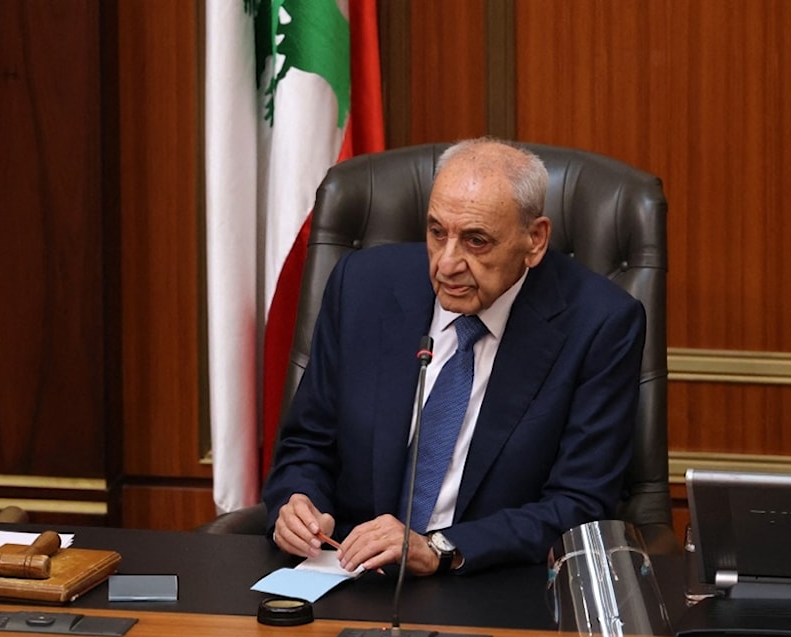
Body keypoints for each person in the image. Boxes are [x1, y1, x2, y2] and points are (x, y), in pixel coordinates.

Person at [264, 137, 645, 576]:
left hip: (489, 583)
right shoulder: (363, 286)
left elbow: (578, 503)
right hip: (348, 572)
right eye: (436, 232)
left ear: (535, 239)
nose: (446, 263)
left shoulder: (599, 324)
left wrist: (441, 548)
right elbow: (308, 442)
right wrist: (298, 504)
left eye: (476, 241)